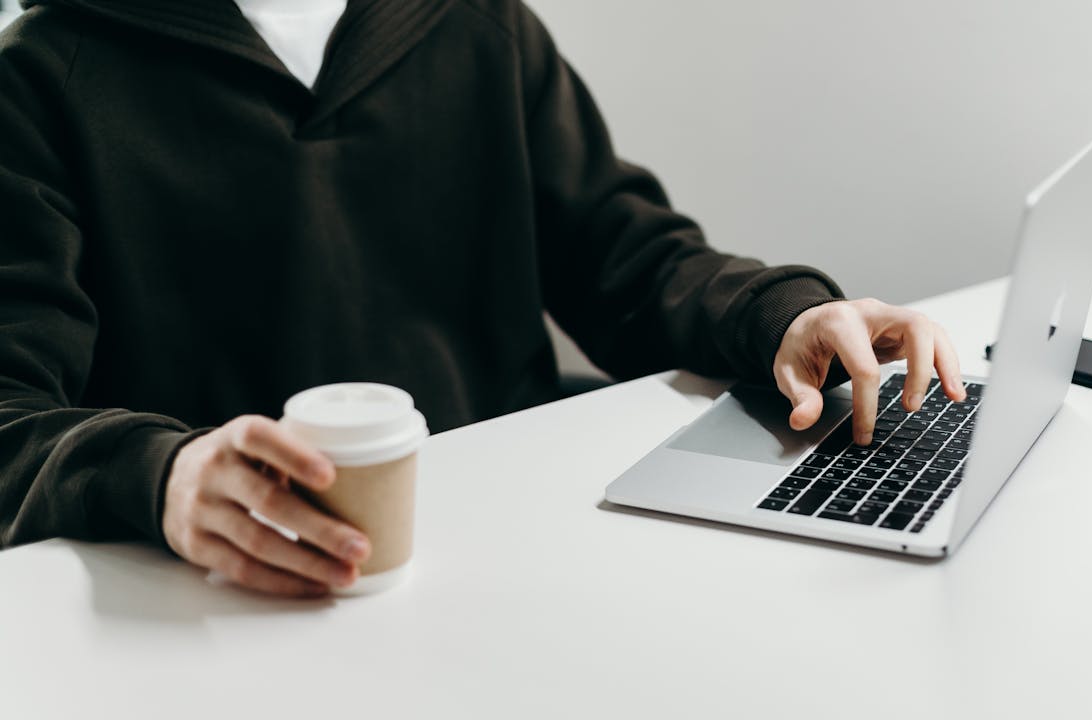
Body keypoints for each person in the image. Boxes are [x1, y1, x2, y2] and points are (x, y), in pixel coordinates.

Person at [0, 0, 965, 597]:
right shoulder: (41, 78)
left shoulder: (477, 23)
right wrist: (157, 476)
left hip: (507, 560)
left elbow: (628, 256)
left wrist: (781, 316)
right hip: (227, 596)